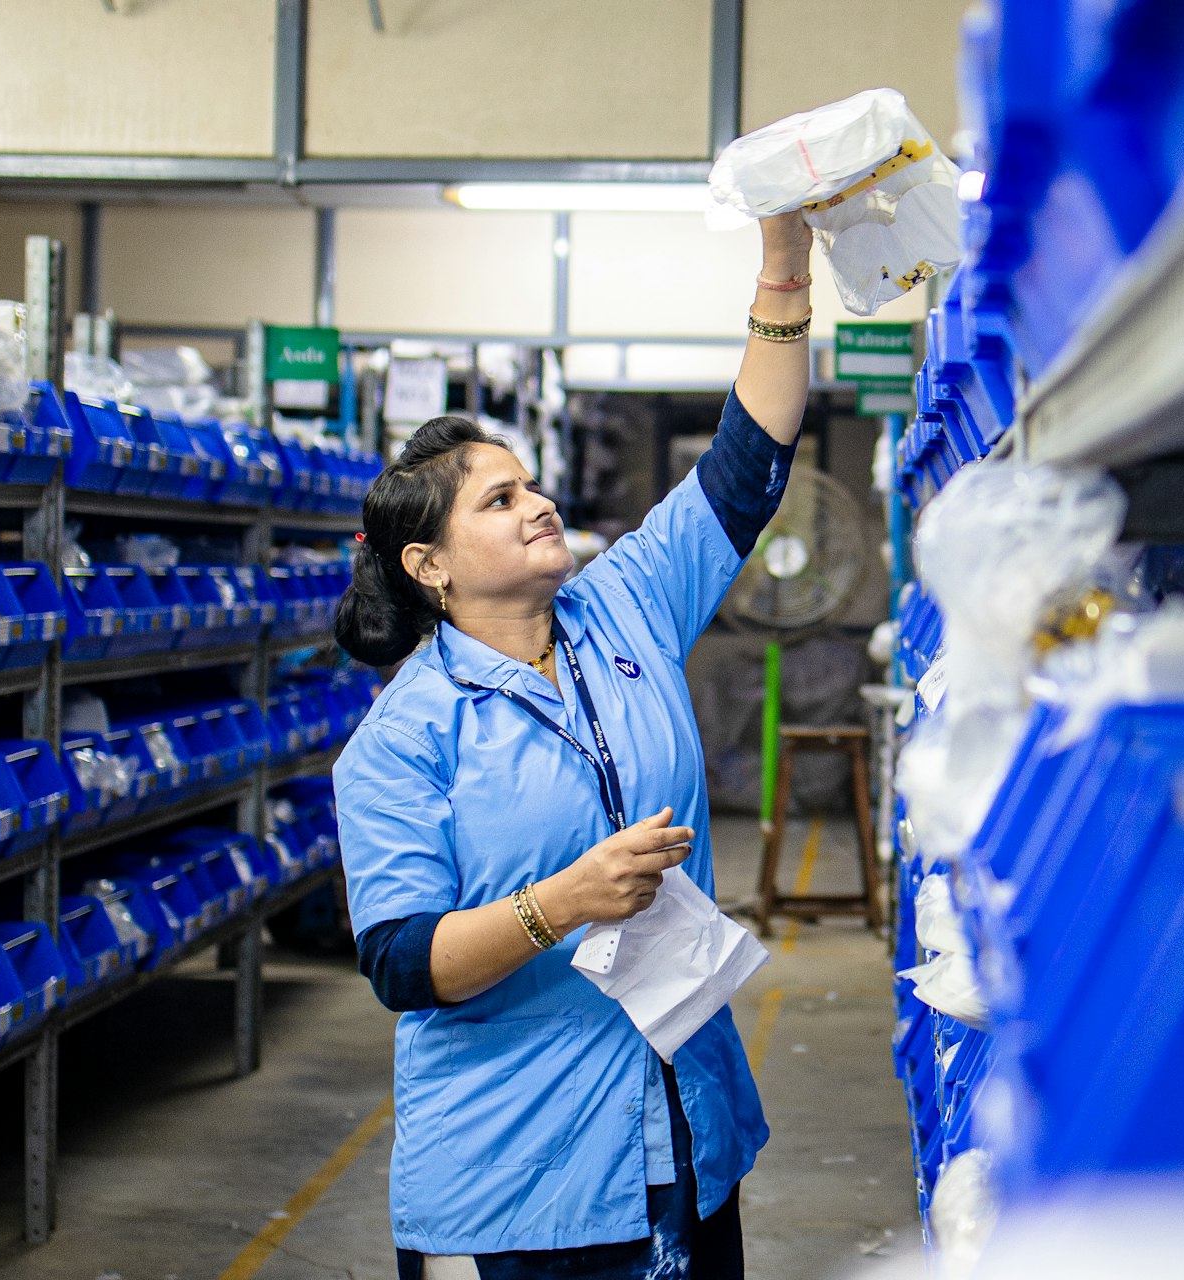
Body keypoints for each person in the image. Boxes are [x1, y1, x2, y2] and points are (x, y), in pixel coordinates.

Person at [331, 212, 815, 1280]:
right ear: (431, 564)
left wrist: (783, 272)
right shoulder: (402, 738)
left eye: (532, 483)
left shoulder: (626, 605)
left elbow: (747, 463)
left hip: (685, 1130)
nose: (539, 502)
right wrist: (564, 900)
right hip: (523, 1171)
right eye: (499, 500)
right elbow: (403, 961)